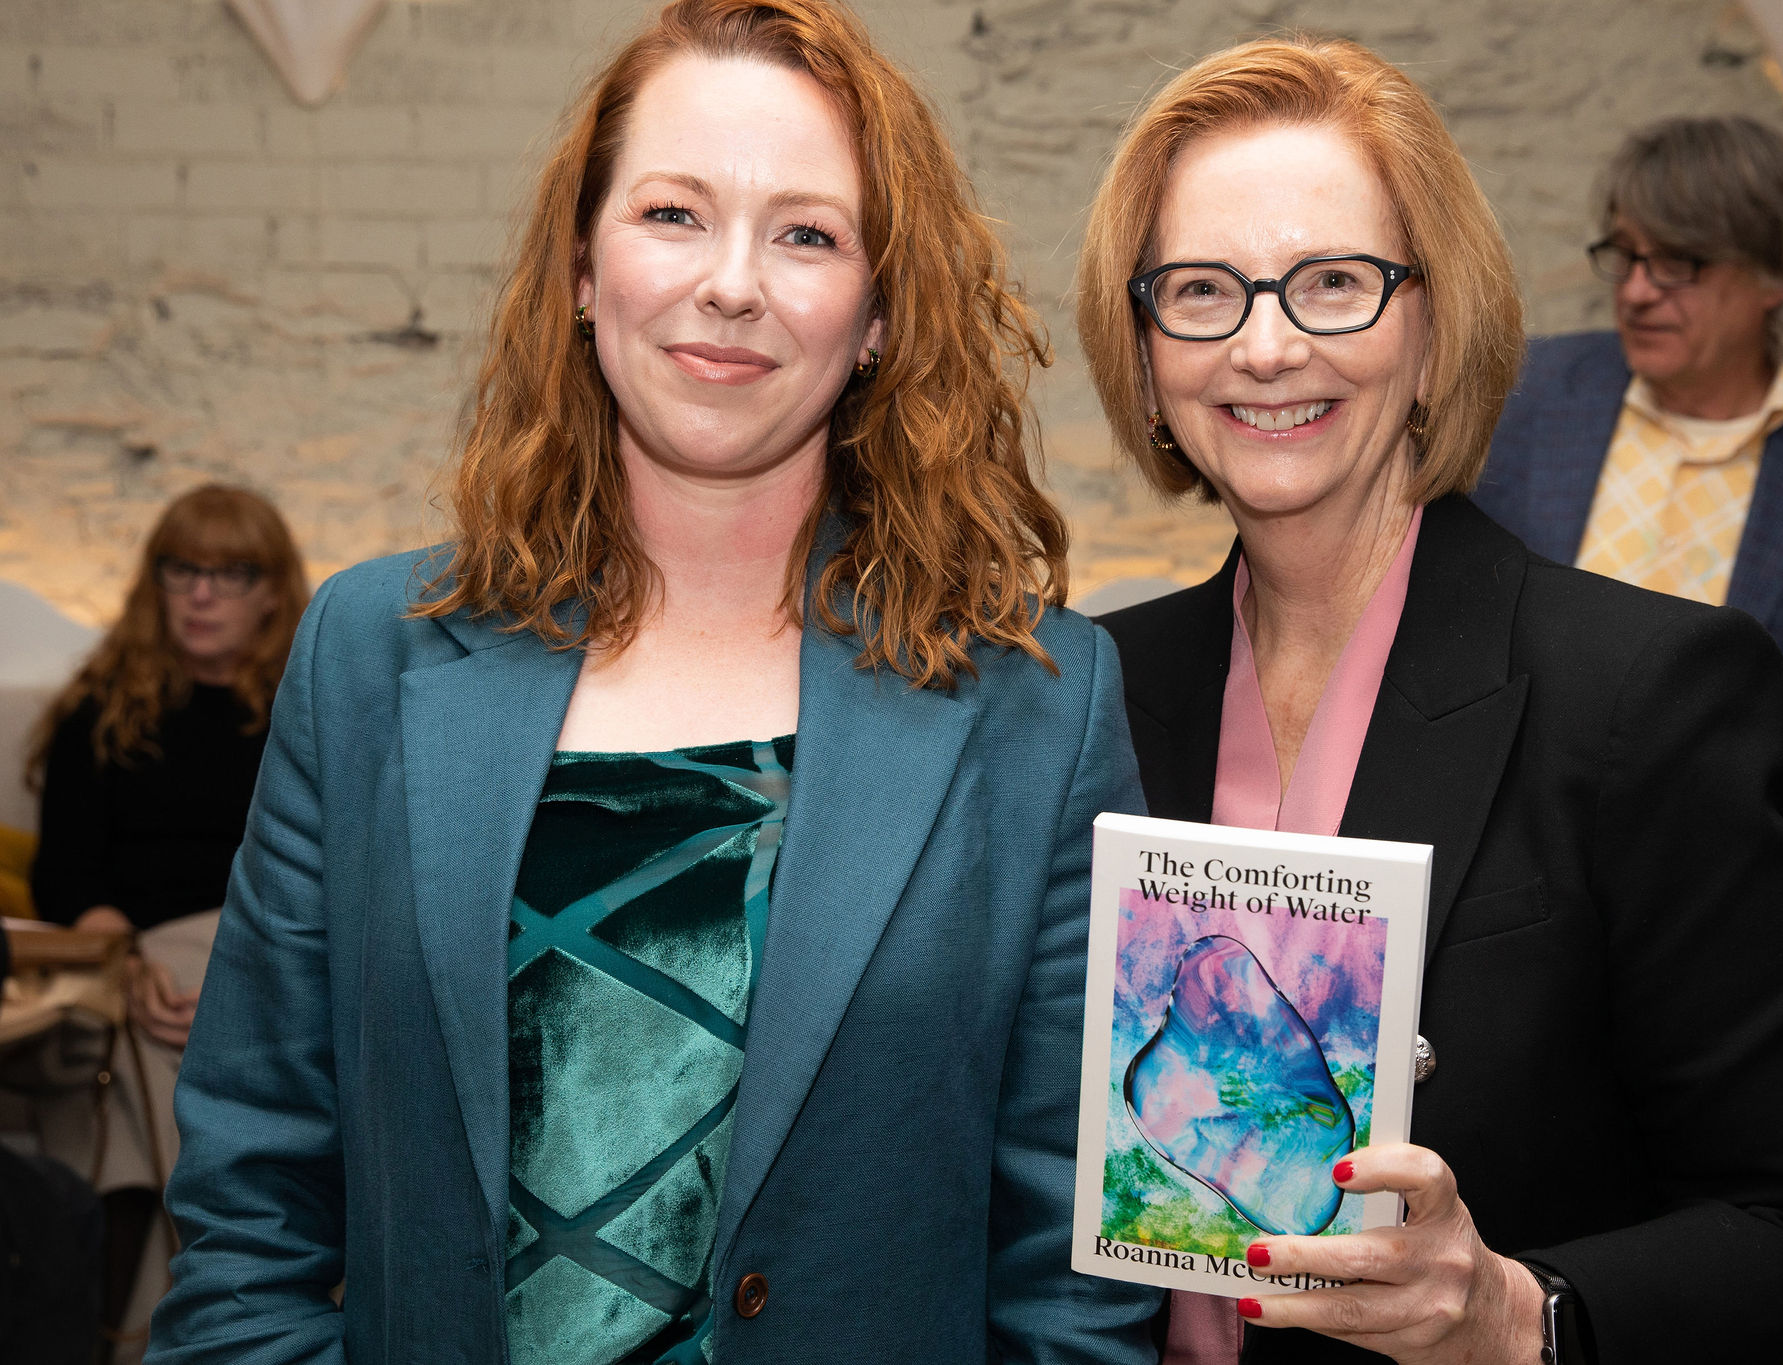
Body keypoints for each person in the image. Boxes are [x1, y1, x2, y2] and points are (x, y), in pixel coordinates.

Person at [146, 3, 1157, 1362]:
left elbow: (1071, 1280)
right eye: (674, 212)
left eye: (807, 233)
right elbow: (251, 1202)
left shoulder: (1039, 702)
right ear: (580, 264)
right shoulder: (369, 656)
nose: (731, 282)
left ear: (875, 318)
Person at [1078, 38, 1783, 1365]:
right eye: (1203, 292)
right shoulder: (1090, 692)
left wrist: (1513, 1313)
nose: (1267, 346)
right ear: (1148, 344)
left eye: (1333, 283)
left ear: (1437, 319)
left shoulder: (1649, 695)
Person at [1474, 115, 1783, 914]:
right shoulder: (1524, 398)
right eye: (1626, 255)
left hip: (1719, 925)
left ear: (1780, 274)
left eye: (1678, 262)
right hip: (1498, 900)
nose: (1637, 289)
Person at [25, 482, 307, 1356]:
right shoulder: (99, 711)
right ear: (156, 580)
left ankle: (131, 1322)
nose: (202, 593)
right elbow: (65, 876)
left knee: (175, 1019)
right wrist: (124, 956)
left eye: (231, 572)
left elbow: (326, 880)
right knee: (142, 1023)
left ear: (273, 589)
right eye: (183, 568)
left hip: (261, 946)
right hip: (130, 956)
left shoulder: (308, 710)